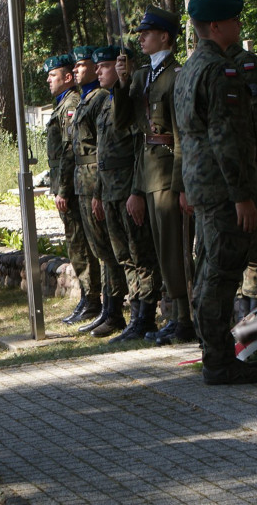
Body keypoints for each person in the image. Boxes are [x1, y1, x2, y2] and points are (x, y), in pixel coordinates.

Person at [174, 0, 257, 385]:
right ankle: (218, 360)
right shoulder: (219, 71)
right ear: (215, 26)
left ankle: (215, 354)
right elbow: (225, 139)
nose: (238, 25)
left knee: (209, 266)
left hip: (201, 185)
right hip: (222, 188)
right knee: (221, 273)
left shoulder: (189, 69)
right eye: (233, 20)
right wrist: (242, 196)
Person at [115, 6, 194, 345]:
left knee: (175, 249)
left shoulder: (176, 75)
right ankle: (174, 316)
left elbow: (180, 136)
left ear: (165, 36)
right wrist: (121, 83)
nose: (141, 38)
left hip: (166, 173)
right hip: (148, 173)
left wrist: (181, 185)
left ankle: (184, 317)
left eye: (147, 33)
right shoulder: (141, 76)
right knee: (161, 251)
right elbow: (124, 124)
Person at [90, 45, 165, 342]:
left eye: (105, 66)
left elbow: (139, 151)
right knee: (124, 257)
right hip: (110, 190)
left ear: (124, 67)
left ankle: (145, 316)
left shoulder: (133, 100)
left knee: (140, 254)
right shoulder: (110, 103)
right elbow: (102, 154)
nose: (99, 72)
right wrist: (98, 192)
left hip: (128, 189)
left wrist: (137, 190)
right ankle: (135, 314)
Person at [69, 45, 131, 340]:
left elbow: (102, 147)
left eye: (88, 66)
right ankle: (108, 308)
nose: (82, 70)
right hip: (91, 180)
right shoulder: (91, 100)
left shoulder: (104, 99)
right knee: (101, 250)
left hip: (101, 179)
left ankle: (114, 308)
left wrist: (97, 189)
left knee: (110, 250)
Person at [43, 53, 101, 325]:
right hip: (66, 183)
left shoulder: (71, 104)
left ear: (67, 78)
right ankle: (87, 299)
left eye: (53, 75)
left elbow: (69, 150)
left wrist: (63, 189)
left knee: (81, 244)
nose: (48, 80)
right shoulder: (62, 105)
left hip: (74, 183)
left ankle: (92, 299)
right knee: (75, 243)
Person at [226, 43, 257, 318]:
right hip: (221, 174)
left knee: (250, 243)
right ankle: (243, 312)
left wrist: (247, 168)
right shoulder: (208, 63)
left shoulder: (244, 63)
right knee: (233, 246)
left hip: (244, 170)